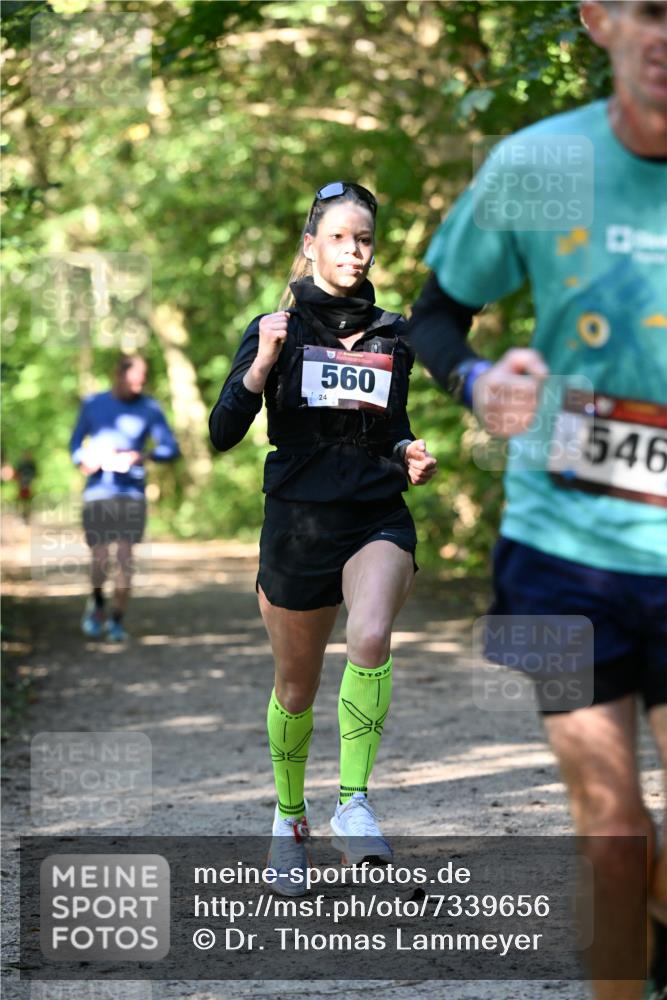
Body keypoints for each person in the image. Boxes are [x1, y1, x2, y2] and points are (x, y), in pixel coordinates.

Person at [408, 2, 667, 996]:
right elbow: (434, 316)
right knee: (610, 837)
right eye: (648, 9)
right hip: (558, 550)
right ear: (599, 19)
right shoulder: (538, 164)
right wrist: (480, 384)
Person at [209, 181, 437, 895]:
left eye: (363, 239)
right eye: (338, 237)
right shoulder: (277, 325)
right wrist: (259, 366)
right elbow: (221, 434)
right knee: (296, 687)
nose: (353, 250)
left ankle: (354, 803)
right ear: (311, 244)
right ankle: (287, 821)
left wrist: (406, 452)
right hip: (298, 519)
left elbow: (386, 425)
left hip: (373, 512)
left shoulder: (393, 333)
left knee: (369, 636)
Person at [69, 355, 180, 642]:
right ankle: (96, 605)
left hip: (131, 491)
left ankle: (116, 620)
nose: (136, 388)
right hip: (98, 491)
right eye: (132, 382)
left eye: (141, 383)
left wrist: (142, 456)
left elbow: (170, 447)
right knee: (100, 557)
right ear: (118, 376)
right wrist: (86, 459)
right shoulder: (93, 404)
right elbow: (74, 446)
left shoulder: (149, 407)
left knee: (125, 557)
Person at [14, 449, 37, 524]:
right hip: (22, 484)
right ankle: (22, 516)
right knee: (22, 501)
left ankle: (27, 517)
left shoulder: (32, 464)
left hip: (29, 485)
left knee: (29, 501)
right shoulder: (21, 464)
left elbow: (35, 473)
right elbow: (17, 474)